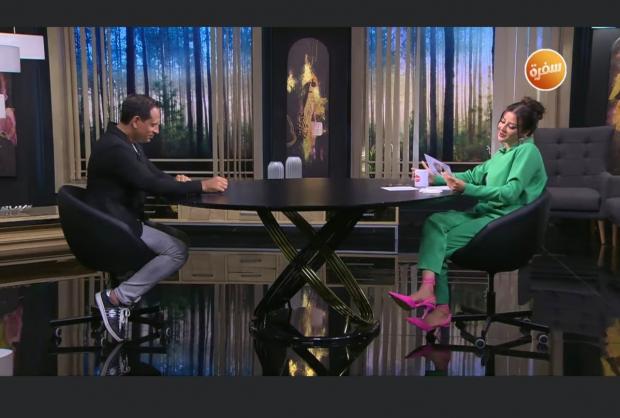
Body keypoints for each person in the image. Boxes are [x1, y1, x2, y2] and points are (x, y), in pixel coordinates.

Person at [388, 97, 548, 333]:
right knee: (435, 221)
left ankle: (439, 305)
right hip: (487, 215)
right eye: (502, 121)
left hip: (505, 223)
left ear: (524, 132)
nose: (502, 128)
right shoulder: (502, 154)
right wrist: (435, 178)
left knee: (440, 244)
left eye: (511, 126)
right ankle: (429, 292)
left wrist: (466, 189)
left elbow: (511, 193)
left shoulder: (528, 152)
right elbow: (473, 176)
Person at [86, 94, 228, 342]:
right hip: (114, 227)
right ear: (136, 121)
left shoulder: (126, 142)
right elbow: (150, 184)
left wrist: (177, 182)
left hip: (121, 220)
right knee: (177, 250)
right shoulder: (115, 149)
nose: (157, 130)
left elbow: (153, 175)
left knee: (179, 238)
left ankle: (122, 290)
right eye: (153, 125)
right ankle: (116, 299)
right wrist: (202, 185)